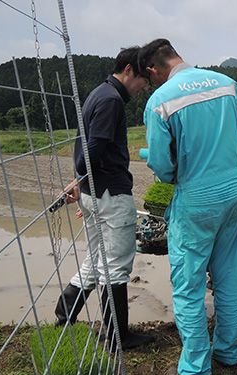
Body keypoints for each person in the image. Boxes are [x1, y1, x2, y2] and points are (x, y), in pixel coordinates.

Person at [139, 38, 237, 375]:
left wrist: (177, 173)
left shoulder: (160, 100)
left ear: (153, 69)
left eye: (151, 77)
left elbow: (161, 165)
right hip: (234, 192)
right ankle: (228, 351)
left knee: (189, 286)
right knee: (229, 273)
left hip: (195, 199)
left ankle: (195, 367)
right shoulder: (225, 83)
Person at [54, 46, 154, 350]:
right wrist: (82, 175)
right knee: (116, 267)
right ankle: (117, 337)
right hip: (111, 194)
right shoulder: (111, 100)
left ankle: (63, 315)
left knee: (97, 261)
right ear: (128, 71)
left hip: (94, 194)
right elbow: (91, 154)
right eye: (143, 81)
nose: (144, 88)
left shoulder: (99, 93)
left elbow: (86, 152)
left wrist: (80, 182)